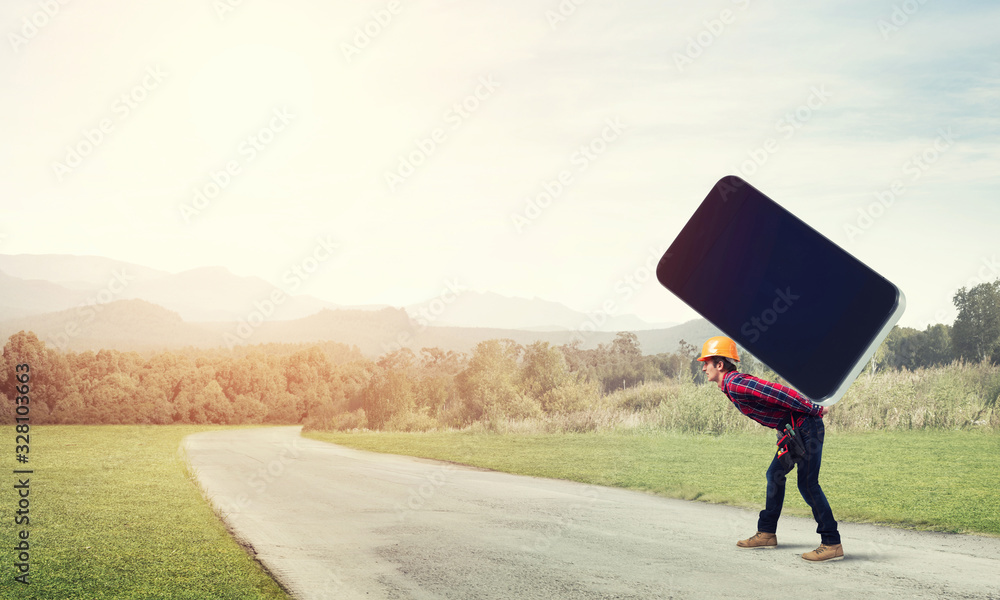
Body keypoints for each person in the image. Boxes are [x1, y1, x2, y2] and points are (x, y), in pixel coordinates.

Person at [697, 336, 843, 562]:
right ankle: (766, 533)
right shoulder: (730, 385)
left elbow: (777, 393)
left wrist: (814, 409)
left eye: (706, 362)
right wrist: (783, 430)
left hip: (806, 427)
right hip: (794, 430)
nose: (703, 367)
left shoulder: (735, 383)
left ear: (720, 364)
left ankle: (832, 542)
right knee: (774, 475)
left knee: (807, 483)